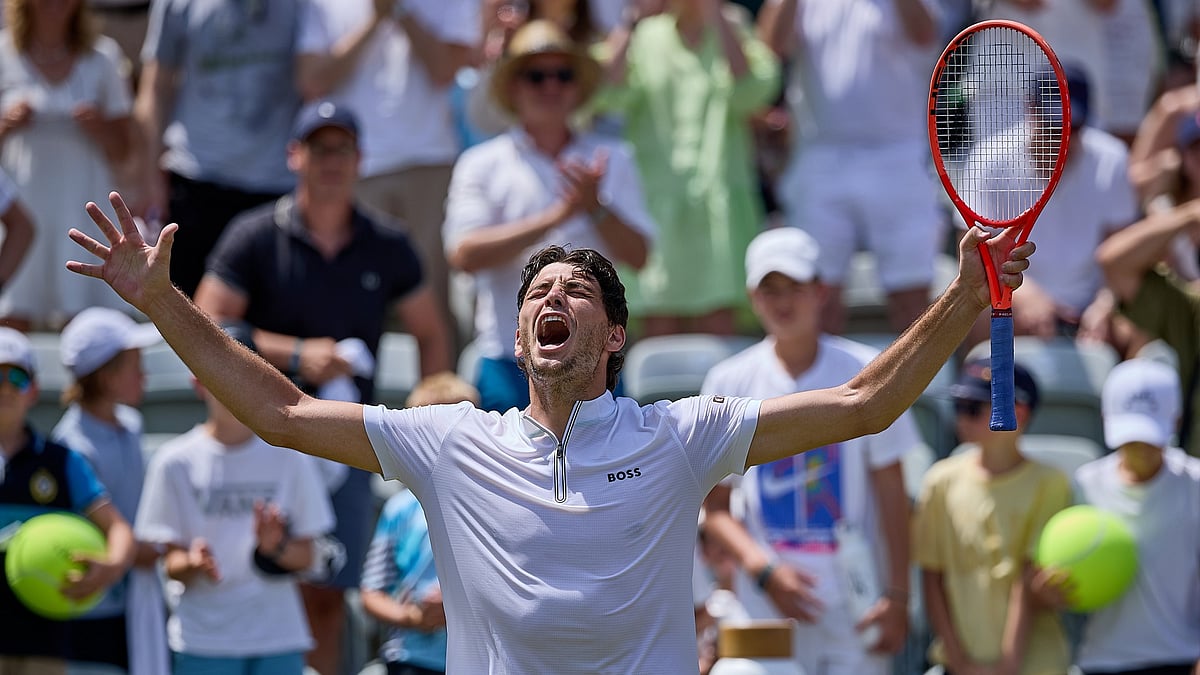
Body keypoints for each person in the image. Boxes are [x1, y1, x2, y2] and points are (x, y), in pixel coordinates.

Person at [66, 187, 1033, 673]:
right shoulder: (452, 441)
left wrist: (963, 299)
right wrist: (163, 302)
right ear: (520, 332)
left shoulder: (680, 434)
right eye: (538, 291)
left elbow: (864, 403)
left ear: (613, 336)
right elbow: (278, 412)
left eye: (576, 290)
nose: (552, 297)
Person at [192, 101, 451, 675]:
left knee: (329, 596)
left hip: (344, 440)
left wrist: (430, 417)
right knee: (251, 586)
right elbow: (206, 325)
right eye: (318, 147)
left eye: (342, 149)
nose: (331, 160)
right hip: (261, 437)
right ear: (294, 155)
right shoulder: (254, 234)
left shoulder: (387, 242)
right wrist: (295, 354)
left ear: (360, 159)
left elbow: (432, 332)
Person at [700, 228, 919, 675]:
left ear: (820, 291)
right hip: (763, 609)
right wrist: (765, 572)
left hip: (855, 606)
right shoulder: (727, 380)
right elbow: (715, 507)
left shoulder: (868, 370)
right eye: (770, 289)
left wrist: (898, 596)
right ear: (752, 298)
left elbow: (892, 493)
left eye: (794, 287)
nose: (783, 302)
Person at [444, 20, 655, 413]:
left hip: (595, 360)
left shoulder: (615, 157)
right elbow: (464, 254)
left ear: (577, 87)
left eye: (563, 74)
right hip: (507, 359)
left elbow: (641, 256)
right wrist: (560, 214)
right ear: (513, 86)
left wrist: (595, 208)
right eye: (536, 76)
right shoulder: (481, 163)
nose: (551, 86)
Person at [134, 324, 336, 675]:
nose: (233, 386)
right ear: (197, 382)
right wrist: (192, 563)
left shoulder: (291, 458)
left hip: (278, 639)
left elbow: (311, 555)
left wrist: (275, 548)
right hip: (203, 642)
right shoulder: (173, 462)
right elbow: (169, 562)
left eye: (244, 373)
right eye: (221, 372)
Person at [295, 0, 481, 344]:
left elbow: (445, 70)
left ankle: (443, 379)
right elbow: (312, 79)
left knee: (433, 301)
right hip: (355, 167)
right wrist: (374, 20)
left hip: (429, 164)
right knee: (351, 299)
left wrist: (400, 11)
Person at [595, 0, 780, 337]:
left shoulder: (734, 28)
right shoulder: (645, 34)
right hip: (657, 211)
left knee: (719, 327)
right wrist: (632, 19)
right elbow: (601, 92)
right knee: (660, 329)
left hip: (720, 209)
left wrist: (717, 15)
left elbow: (752, 94)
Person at [760, 0, 944, 335]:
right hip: (821, 154)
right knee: (816, 300)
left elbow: (924, 33)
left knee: (911, 300)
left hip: (897, 154)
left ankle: (918, 374)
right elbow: (770, 48)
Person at [912, 359, 1073, 675]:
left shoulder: (1051, 483)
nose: (961, 417)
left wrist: (1007, 666)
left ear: (1018, 413)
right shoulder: (939, 481)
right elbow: (932, 577)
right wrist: (959, 663)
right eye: (958, 406)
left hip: (1035, 666)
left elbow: (1027, 579)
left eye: (973, 408)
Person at [134, 0, 303, 298]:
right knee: (184, 311)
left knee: (270, 315)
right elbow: (155, 87)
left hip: (275, 186)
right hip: (195, 181)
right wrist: (148, 178)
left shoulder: (307, 5)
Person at [963, 65, 1139, 350]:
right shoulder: (989, 160)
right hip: (1012, 301)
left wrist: (1103, 306)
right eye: (1053, 126)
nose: (1063, 139)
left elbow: (1123, 257)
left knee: (1136, 328)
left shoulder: (1112, 159)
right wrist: (1025, 297)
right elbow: (974, 256)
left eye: (1073, 127)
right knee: (980, 315)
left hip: (1089, 308)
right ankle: (983, 379)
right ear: (1030, 110)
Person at [0, 327, 136, 675]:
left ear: (33, 390)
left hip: (44, 644)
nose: (5, 388)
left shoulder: (62, 460)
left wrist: (111, 567)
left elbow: (118, 529)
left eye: (16, 377)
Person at [0, 0, 135, 329]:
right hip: (17, 210)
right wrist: (5, 126)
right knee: (11, 320)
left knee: (84, 322)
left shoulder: (104, 57)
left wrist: (99, 128)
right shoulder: (2, 53)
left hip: (83, 210)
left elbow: (125, 149)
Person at [50, 307, 167, 674]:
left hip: (137, 600)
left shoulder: (132, 423)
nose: (144, 375)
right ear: (107, 377)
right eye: (135, 366)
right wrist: (147, 551)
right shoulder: (70, 445)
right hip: (91, 607)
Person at [1068, 358, 1200, 675]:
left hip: (1184, 660)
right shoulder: (1083, 485)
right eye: (1131, 434)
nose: (1141, 446)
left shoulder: (1195, 483)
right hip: (1100, 663)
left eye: (1150, 434)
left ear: (1177, 421)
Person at [360, 373, 479, 675]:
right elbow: (372, 593)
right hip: (410, 658)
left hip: (479, 658)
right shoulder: (400, 509)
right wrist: (414, 617)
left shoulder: (492, 503)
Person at [1097, 112, 1200, 457]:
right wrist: (1190, 214)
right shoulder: (1189, 306)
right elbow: (1114, 262)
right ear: (1183, 156)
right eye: (1197, 149)